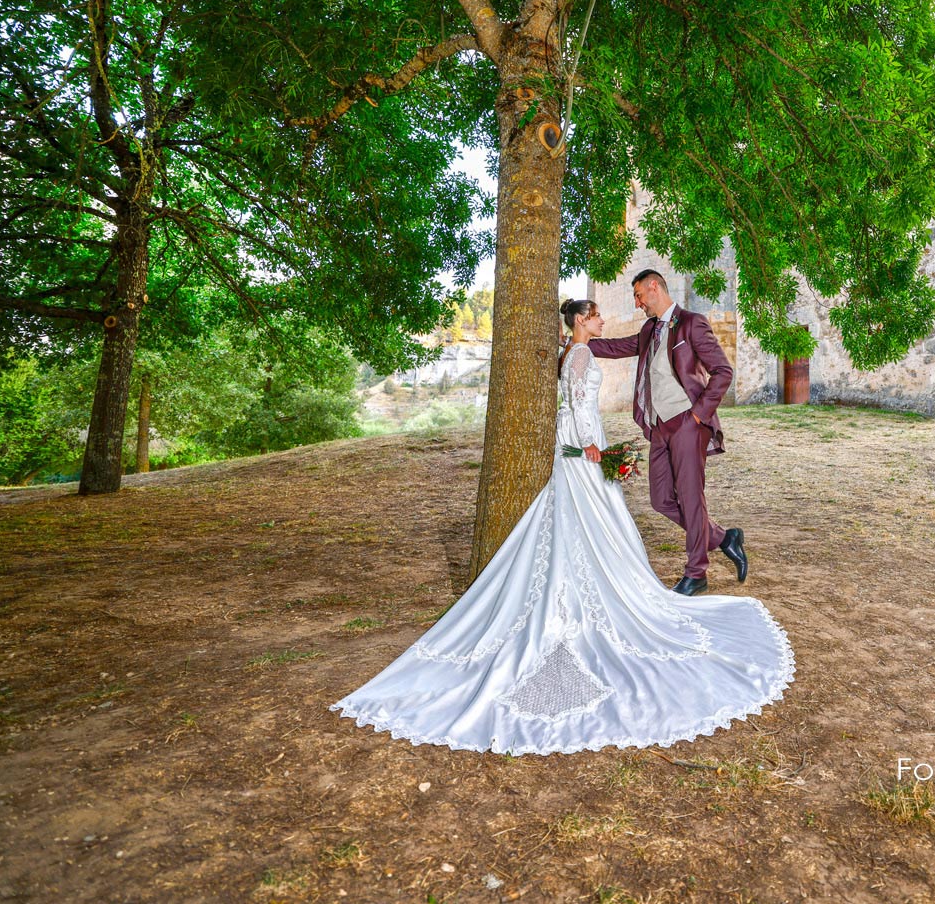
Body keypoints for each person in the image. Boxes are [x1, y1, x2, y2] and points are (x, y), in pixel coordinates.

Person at [328, 299, 794, 755]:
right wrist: (589, 447)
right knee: (628, 512)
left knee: (644, 511)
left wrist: (681, 413)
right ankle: (709, 548)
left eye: (604, 311)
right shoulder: (582, 353)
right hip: (585, 449)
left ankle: (711, 549)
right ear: (578, 321)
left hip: (637, 433)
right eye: (594, 315)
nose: (604, 317)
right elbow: (573, 407)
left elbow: (602, 371)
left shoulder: (604, 345)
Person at [587, 269, 747, 596]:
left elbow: (723, 371)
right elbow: (620, 347)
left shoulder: (691, 323)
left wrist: (699, 416)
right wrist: (581, 343)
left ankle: (697, 573)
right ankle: (722, 538)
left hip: (688, 422)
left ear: (654, 287)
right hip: (659, 426)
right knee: (661, 500)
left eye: (639, 295)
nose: (637, 303)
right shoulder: (649, 329)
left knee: (690, 497)